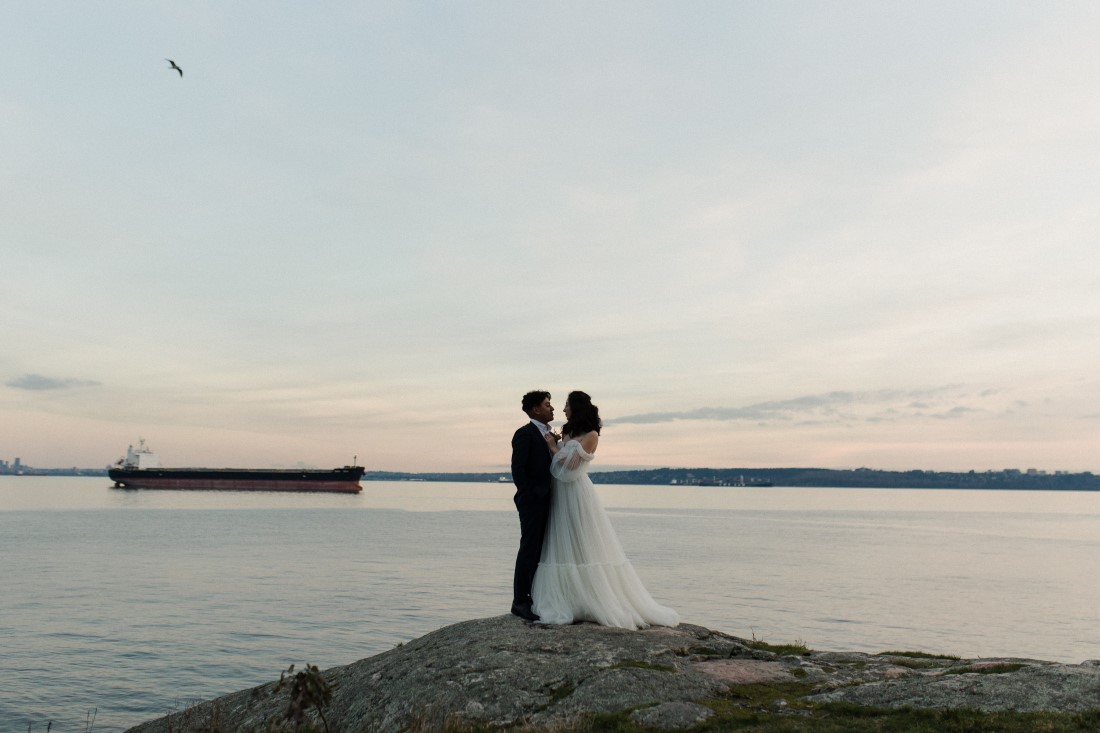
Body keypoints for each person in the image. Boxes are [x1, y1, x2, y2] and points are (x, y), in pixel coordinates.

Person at [531, 391, 679, 629]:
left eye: (567, 405)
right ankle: (570, 598)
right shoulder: (567, 432)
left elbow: (570, 469)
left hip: (576, 493)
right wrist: (556, 445)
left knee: (584, 542)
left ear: (577, 408)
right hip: (559, 494)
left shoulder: (591, 436)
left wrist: (553, 448)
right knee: (563, 544)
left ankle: (594, 597)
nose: (563, 409)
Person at [509, 390, 556, 622]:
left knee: (542, 550)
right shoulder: (524, 434)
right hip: (533, 502)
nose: (552, 408)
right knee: (529, 550)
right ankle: (520, 602)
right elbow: (518, 470)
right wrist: (529, 497)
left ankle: (538, 597)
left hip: (552, 501)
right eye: (548, 404)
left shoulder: (551, 435)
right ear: (535, 409)